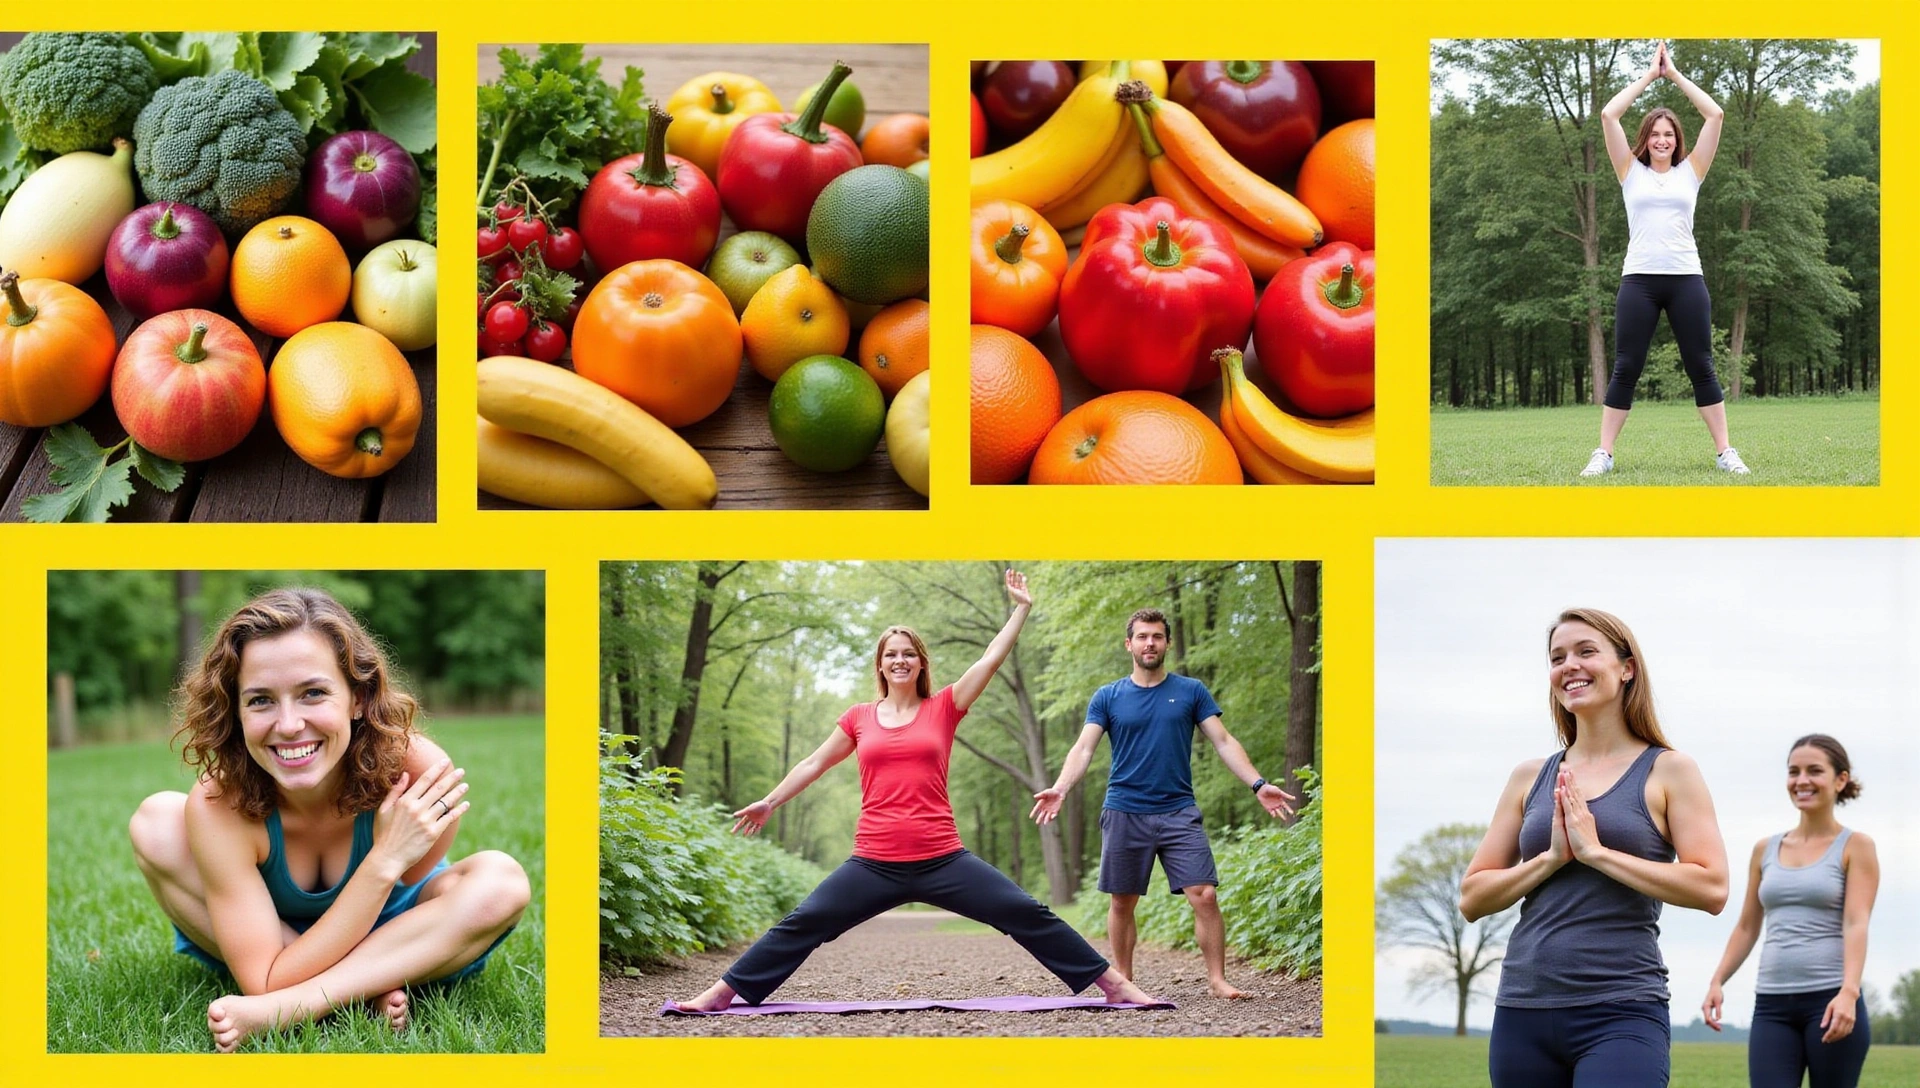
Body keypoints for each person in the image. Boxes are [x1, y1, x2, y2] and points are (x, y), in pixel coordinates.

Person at [673, 570, 1155, 1011]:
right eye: (891, 655)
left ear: (921, 663)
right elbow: (816, 761)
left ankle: (1113, 983)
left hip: (943, 857)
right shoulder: (859, 718)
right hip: (874, 861)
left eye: (908, 653)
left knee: (1024, 911)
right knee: (804, 921)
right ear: (880, 665)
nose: (899, 660)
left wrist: (1021, 608)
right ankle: (722, 993)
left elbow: (990, 658)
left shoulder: (944, 707)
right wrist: (771, 800)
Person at [128, 588, 530, 1052]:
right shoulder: (222, 803)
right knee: (155, 821)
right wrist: (383, 859)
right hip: (268, 940)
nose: (289, 724)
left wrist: (277, 999)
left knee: (502, 881)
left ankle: (299, 1007)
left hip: (386, 925)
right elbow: (263, 977)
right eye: (260, 701)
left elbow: (409, 886)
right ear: (235, 712)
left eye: (313, 693)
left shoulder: (414, 770)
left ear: (357, 698)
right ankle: (366, 986)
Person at [1461, 607, 1728, 1088]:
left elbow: (1711, 887)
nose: (1570, 665)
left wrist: (1597, 853)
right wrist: (1550, 859)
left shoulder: (1669, 771)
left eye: (1587, 651)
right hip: (1523, 1007)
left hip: (1621, 1010)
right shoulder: (1529, 777)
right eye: (1557, 657)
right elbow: (1472, 898)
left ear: (1627, 668)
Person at [1029, 607, 1294, 999]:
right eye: (1141, 636)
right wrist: (1062, 787)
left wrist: (1257, 783)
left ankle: (1218, 980)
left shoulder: (1191, 691)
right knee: (1123, 900)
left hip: (1178, 810)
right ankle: (1123, 980)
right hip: (1124, 809)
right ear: (1129, 644)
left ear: (1167, 642)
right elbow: (1083, 748)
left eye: (1156, 636)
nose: (1149, 643)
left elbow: (1223, 740)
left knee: (1204, 894)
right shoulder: (1108, 696)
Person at [1582, 41, 1747, 478]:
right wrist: (1648, 76)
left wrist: (1673, 75)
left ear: (1677, 141)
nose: (1661, 140)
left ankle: (1725, 452)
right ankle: (1604, 454)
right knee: (1626, 366)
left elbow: (1715, 115)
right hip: (1638, 280)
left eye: (1668, 134)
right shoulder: (1627, 171)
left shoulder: (1691, 171)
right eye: (1654, 134)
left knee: (1701, 364)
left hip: (1685, 279)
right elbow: (1608, 115)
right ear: (1645, 139)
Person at [1702, 735, 1879, 1088]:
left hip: (1831, 1003)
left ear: (1840, 780)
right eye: (1794, 771)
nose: (1802, 780)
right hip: (1771, 1006)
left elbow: (1856, 922)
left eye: (1815, 771)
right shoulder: (1764, 850)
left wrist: (1849, 992)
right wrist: (1718, 980)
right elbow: (1747, 927)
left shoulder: (1856, 846)